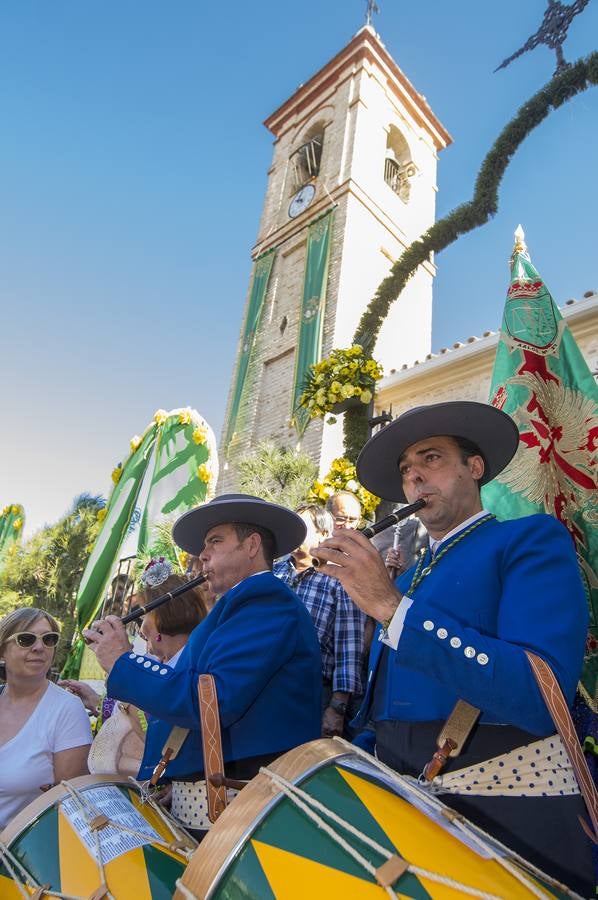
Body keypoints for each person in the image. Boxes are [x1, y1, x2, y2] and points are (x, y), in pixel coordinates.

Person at [312, 401, 592, 894]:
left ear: (475, 468)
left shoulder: (528, 539)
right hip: (403, 816)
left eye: (431, 458)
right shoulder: (415, 573)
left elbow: (538, 693)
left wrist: (391, 607)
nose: (415, 477)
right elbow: (387, 708)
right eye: (405, 470)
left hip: (506, 820)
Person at [84, 494, 322, 835]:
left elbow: (209, 702)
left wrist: (123, 663)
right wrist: (177, 776)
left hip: (246, 808)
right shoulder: (236, 608)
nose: (202, 554)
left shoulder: (265, 601)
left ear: (252, 544)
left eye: (215, 541)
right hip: (215, 799)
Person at [273, 503, 365, 738]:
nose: (292, 532)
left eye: (301, 527)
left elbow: (349, 647)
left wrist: (337, 707)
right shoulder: (275, 572)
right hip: (268, 685)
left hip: (312, 691)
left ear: (323, 534)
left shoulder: (339, 577)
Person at [0, 608, 92, 828]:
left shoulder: (67, 710)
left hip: (22, 853)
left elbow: (69, 800)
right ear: (2, 652)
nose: (39, 647)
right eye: (26, 639)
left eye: (48, 639)